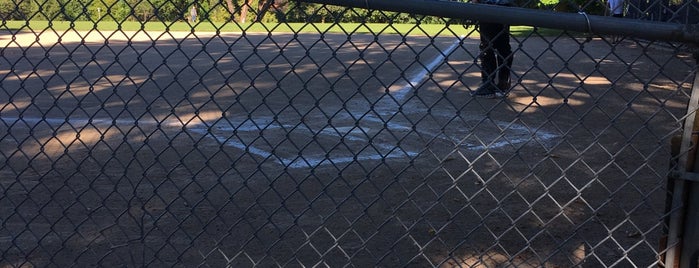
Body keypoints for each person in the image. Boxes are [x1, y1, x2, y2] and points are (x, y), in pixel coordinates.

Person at [471, 0, 515, 98]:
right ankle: (503, 84)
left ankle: (488, 85)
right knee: (503, 46)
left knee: (487, 47)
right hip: (504, 7)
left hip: (487, 7)